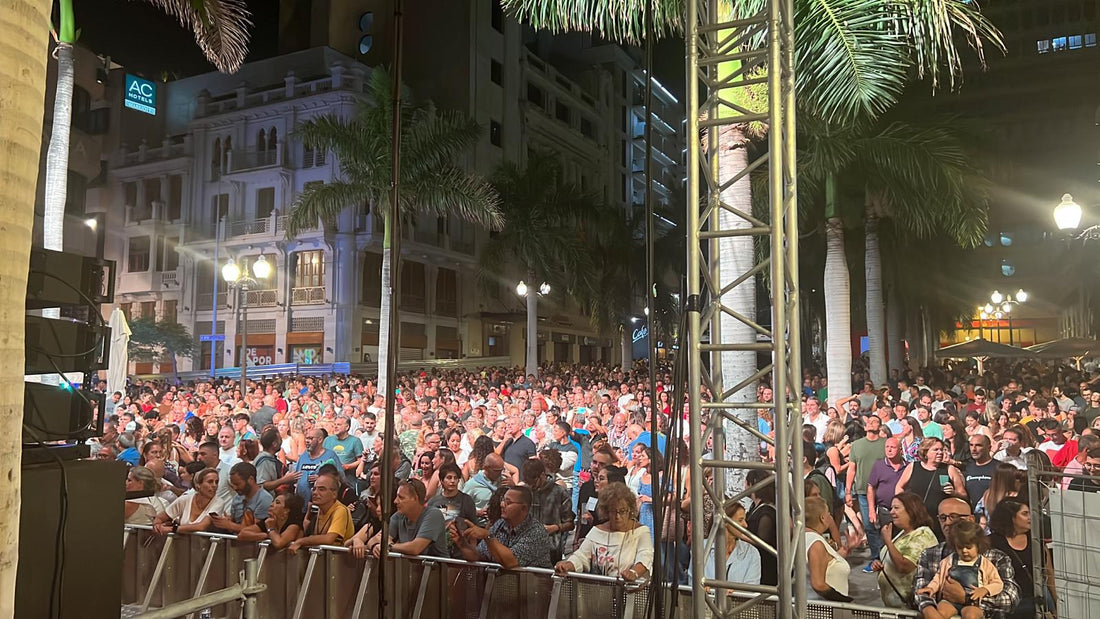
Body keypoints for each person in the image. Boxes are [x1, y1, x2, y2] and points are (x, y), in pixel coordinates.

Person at [913, 497, 1020, 618]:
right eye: (943, 518)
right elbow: (921, 591)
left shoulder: (996, 558)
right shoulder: (929, 555)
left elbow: (1010, 598)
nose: (947, 522)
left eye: (954, 516)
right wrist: (931, 611)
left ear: (971, 519)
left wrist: (967, 597)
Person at [555, 482, 653, 580]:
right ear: (606, 512)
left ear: (630, 510)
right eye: (613, 511)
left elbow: (645, 556)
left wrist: (634, 572)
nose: (618, 516)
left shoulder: (641, 532)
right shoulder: (597, 531)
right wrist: (568, 565)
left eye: (622, 511)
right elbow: (581, 556)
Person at [449, 485, 554, 569]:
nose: (502, 505)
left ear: (523, 509)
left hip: (534, 591)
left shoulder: (536, 532)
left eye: (508, 502)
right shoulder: (500, 524)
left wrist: (487, 536)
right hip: (503, 590)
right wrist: (462, 543)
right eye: (502, 500)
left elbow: (510, 562)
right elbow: (479, 556)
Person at [916, 520, 1004, 619]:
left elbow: (998, 583)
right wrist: (931, 588)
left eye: (968, 547)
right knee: (941, 612)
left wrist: (985, 590)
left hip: (972, 602)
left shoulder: (985, 563)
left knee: (971, 615)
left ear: (978, 546)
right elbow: (938, 578)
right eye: (960, 547)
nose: (964, 551)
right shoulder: (948, 561)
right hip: (949, 601)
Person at [988, 500, 1057, 619]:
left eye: (1030, 513)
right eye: (1025, 514)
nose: (1030, 517)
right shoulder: (992, 542)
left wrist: (1056, 604)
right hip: (1005, 608)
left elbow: (1049, 573)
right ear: (1011, 517)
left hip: (1034, 604)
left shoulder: (1036, 541)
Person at [871, 491, 938, 608]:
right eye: (891, 508)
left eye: (896, 508)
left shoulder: (922, 535)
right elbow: (892, 558)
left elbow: (904, 566)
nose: (891, 512)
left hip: (907, 607)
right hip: (892, 606)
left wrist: (887, 541)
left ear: (911, 510)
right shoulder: (903, 533)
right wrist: (881, 565)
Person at [895, 438, 966, 538]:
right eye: (936, 450)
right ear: (925, 452)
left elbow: (963, 495)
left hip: (939, 521)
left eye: (942, 450)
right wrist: (903, 505)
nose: (940, 452)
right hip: (916, 518)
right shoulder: (913, 466)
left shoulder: (949, 469)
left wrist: (954, 493)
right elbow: (899, 487)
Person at [846, 414, 886, 571]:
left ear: (880, 426)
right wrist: (848, 492)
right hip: (862, 490)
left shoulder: (885, 444)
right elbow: (852, 468)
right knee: (869, 526)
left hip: (882, 489)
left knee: (884, 524)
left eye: (875, 421)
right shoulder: (857, 445)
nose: (871, 423)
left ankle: (885, 556)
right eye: (868, 421)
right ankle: (876, 557)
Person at [370, 479, 448, 558]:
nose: (395, 501)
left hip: (437, 569)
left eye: (401, 497)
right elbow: (374, 540)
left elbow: (415, 548)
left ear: (415, 498)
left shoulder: (434, 515)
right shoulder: (398, 516)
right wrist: (375, 546)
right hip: (411, 568)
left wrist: (389, 546)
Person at [693, 502, 761, 585]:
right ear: (725, 521)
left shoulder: (751, 553)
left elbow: (752, 589)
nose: (745, 525)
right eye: (740, 520)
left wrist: (734, 592)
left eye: (745, 520)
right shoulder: (701, 548)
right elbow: (693, 584)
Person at [287, 471, 355, 553]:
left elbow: (329, 539)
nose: (315, 493)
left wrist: (301, 541)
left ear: (334, 494)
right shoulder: (319, 509)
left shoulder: (341, 510)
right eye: (314, 489)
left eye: (321, 489)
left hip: (339, 561)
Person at [523, 457, 575, 562]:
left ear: (542, 475)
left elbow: (570, 524)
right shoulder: (524, 491)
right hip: (525, 547)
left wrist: (554, 528)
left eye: (533, 482)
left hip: (551, 550)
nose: (531, 486)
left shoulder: (559, 492)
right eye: (528, 482)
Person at [804, 495, 851, 601]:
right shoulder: (816, 543)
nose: (830, 517)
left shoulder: (803, 538)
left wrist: (840, 554)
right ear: (823, 518)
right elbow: (818, 584)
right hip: (824, 609)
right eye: (828, 514)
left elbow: (825, 563)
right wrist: (844, 601)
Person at [152, 468, 225, 535]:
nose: (214, 485)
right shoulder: (184, 499)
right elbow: (160, 517)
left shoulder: (218, 502)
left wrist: (172, 529)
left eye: (216, 482)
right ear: (198, 485)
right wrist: (157, 525)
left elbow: (201, 526)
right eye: (210, 482)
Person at [210, 462, 273, 534]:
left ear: (251, 479)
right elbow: (234, 520)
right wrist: (226, 521)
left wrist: (230, 525)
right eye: (233, 484)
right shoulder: (237, 497)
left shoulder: (264, 499)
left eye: (237, 484)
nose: (235, 488)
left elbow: (259, 530)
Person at [237, 491, 305, 550]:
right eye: (273, 501)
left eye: (277, 502)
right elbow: (242, 534)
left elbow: (278, 543)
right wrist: (265, 536)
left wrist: (270, 529)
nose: (271, 505)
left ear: (286, 510)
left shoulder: (294, 525)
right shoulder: (268, 521)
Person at [746, 468, 778, 586]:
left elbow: (762, 541)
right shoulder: (753, 508)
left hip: (766, 566)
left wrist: (739, 534)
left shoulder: (766, 512)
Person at [426, 463, 477, 533]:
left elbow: (473, 526)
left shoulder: (467, 500)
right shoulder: (433, 502)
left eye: (455, 478)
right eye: (449, 478)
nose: (452, 481)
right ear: (441, 481)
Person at [294, 428, 341, 505]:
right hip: (301, 504)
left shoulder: (330, 456)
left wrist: (322, 479)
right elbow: (297, 477)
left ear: (320, 440)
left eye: (310, 438)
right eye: (306, 438)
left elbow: (339, 479)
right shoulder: (303, 456)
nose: (307, 441)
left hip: (321, 506)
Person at [462, 452, 505, 524]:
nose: (500, 473)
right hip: (479, 525)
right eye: (497, 471)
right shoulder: (472, 485)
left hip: (500, 525)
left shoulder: (504, 481)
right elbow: (461, 506)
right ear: (486, 468)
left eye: (502, 470)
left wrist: (512, 486)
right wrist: (476, 512)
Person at [963, 435, 999, 510]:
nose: (974, 449)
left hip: (995, 515)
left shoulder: (999, 467)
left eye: (978, 445)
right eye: (971, 445)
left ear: (989, 448)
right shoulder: (967, 468)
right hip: (974, 516)